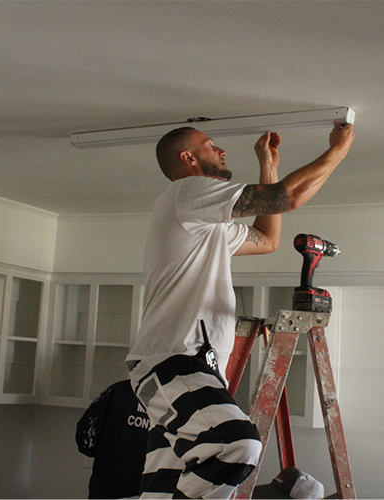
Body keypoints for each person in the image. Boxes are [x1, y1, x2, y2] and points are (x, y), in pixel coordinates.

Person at [125, 120, 355, 500]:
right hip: (173, 361)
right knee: (237, 445)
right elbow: (287, 197)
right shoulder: (187, 192)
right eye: (211, 145)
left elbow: (267, 239)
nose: (222, 151)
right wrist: (337, 152)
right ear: (188, 159)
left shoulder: (206, 224)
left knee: (167, 484)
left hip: (182, 366)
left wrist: (269, 165)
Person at [76, 380, 149, 500]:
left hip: (108, 491)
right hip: (151, 492)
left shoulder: (118, 391)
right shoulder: (177, 399)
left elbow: (85, 442)